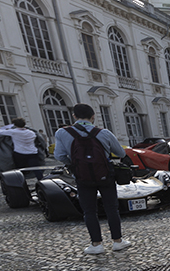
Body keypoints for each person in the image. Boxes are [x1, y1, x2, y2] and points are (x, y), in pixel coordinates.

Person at [54, 103, 131, 255]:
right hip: (105, 176)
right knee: (111, 209)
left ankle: (96, 244)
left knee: (89, 211)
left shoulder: (62, 133)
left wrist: (74, 163)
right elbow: (121, 153)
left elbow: (59, 156)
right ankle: (117, 241)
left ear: (74, 116)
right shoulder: (103, 132)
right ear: (93, 116)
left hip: (82, 177)